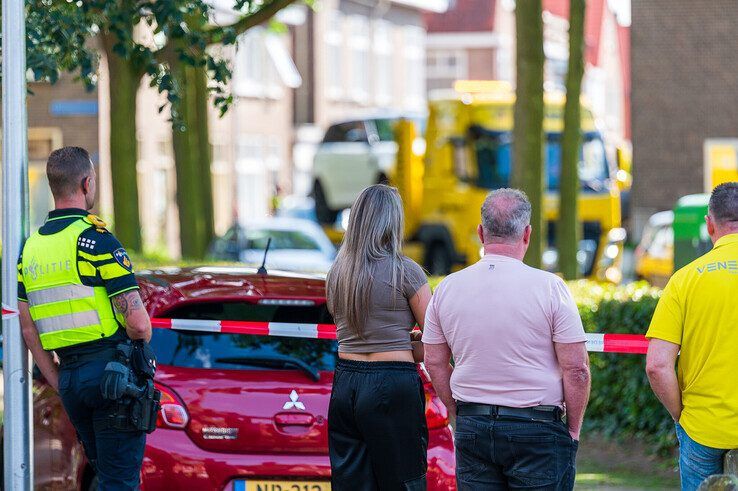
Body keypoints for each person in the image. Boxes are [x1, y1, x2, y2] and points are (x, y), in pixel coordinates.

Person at [423, 188, 591, 491]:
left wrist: (457, 412)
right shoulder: (550, 288)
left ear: (480, 233)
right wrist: (574, 430)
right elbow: (577, 369)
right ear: (527, 234)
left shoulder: (447, 288)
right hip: (538, 428)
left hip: (473, 423)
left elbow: (434, 362)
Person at [17, 147, 153, 490]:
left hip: (71, 379)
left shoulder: (29, 249)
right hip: (112, 376)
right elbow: (138, 323)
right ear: (87, 183)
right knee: (120, 482)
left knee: (105, 478)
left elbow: (27, 328)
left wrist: (58, 378)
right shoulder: (95, 241)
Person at [326, 184, 432, 490]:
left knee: (352, 483)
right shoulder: (406, 272)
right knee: (403, 481)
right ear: (392, 222)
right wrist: (407, 346)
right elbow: (438, 342)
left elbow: (352, 331)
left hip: (346, 383)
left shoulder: (337, 275)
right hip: (392, 384)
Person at [645, 182, 738, 491]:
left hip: (702, 427)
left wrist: (681, 415)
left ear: (709, 224)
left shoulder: (684, 280)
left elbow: (657, 366)